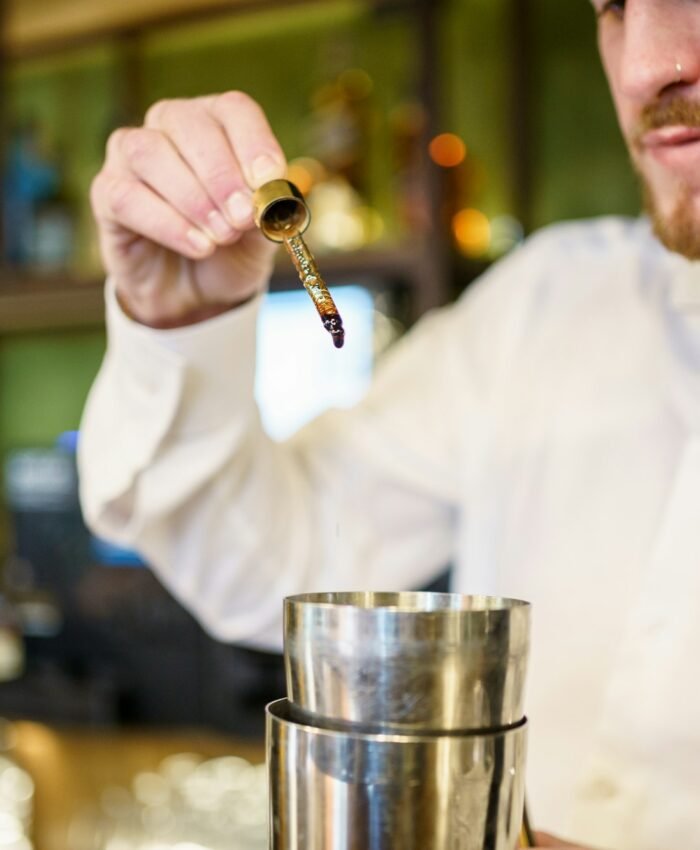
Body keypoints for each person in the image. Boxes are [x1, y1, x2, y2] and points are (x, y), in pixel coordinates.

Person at [78, 1, 700, 847]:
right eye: (615, 7)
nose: (643, 68)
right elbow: (273, 571)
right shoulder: (546, 304)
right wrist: (182, 321)